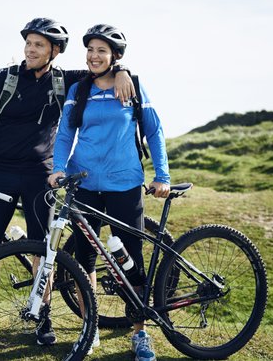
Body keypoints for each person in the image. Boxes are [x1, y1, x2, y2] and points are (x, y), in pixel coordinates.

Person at [0, 17, 134, 351]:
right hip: (1, 174)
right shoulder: (3, 78)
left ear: (55, 50)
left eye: (38, 45)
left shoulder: (64, 80)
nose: (30, 49)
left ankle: (42, 317)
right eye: (28, 43)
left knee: (44, 249)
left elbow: (101, 66)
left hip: (41, 177)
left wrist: (123, 70)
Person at [48, 23, 170, 360]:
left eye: (101, 50)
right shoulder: (78, 89)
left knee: (131, 258)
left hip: (124, 184)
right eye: (90, 50)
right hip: (83, 183)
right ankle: (91, 329)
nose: (93, 56)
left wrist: (162, 176)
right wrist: (59, 167)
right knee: (84, 258)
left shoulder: (132, 86)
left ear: (114, 55)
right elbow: (65, 133)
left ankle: (140, 332)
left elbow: (154, 131)